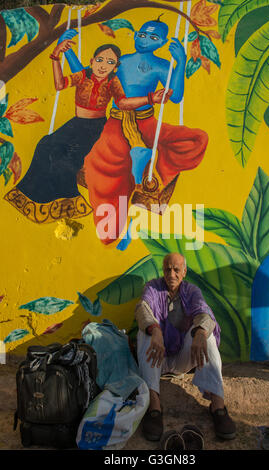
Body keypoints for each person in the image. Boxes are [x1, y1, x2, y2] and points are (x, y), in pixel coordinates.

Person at [61, 17, 208, 245]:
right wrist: (67, 53)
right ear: (136, 33)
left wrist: (180, 63)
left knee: (195, 140)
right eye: (142, 34)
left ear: (163, 42)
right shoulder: (120, 62)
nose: (145, 39)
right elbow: (88, 77)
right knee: (101, 167)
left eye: (153, 37)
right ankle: (121, 219)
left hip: (147, 122)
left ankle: (148, 178)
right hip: (115, 123)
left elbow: (176, 96)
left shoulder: (162, 66)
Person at [4, 39, 170, 224]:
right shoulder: (83, 76)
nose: (103, 66)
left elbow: (123, 103)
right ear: (92, 61)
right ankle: (32, 197)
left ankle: (67, 204)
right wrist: (55, 56)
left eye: (110, 62)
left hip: (95, 127)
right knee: (44, 145)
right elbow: (60, 85)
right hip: (76, 123)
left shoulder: (113, 82)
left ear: (115, 66)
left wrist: (150, 98)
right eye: (100, 60)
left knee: (66, 158)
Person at [135, 252, 236, 442]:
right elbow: (143, 308)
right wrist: (155, 331)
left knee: (206, 334)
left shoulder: (192, 291)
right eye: (167, 269)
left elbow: (204, 313)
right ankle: (154, 407)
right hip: (158, 357)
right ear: (163, 271)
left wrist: (200, 333)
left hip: (183, 359)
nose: (171, 274)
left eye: (176, 270)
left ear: (184, 272)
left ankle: (217, 406)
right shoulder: (152, 287)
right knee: (145, 332)